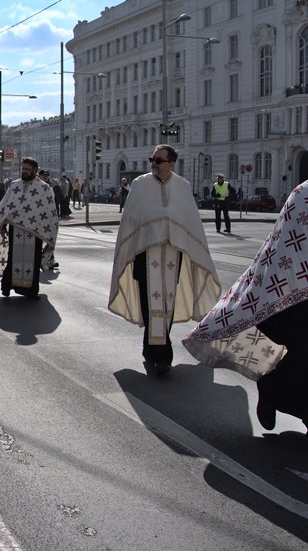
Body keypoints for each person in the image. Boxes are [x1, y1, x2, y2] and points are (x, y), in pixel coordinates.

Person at [182, 181, 308, 430]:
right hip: (287, 299)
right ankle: (272, 389)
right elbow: (288, 249)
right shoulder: (303, 193)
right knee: (304, 353)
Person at [108, 145, 221, 377]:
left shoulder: (182, 187)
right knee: (150, 307)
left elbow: (191, 222)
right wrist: (153, 224)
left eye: (159, 160)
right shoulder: (140, 185)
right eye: (152, 159)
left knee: (166, 306)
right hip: (144, 255)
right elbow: (130, 219)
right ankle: (162, 356)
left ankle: (152, 352)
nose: (154, 164)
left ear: (171, 163)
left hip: (172, 256)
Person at [0, 157, 59, 299]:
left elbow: (50, 212)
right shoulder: (15, 185)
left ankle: (31, 291)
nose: (24, 172)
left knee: (33, 260)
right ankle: (7, 286)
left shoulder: (43, 188)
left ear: (34, 171)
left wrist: (48, 231)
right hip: (16, 229)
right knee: (13, 258)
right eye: (23, 169)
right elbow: (5, 206)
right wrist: (2, 224)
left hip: (35, 232)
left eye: (27, 169)